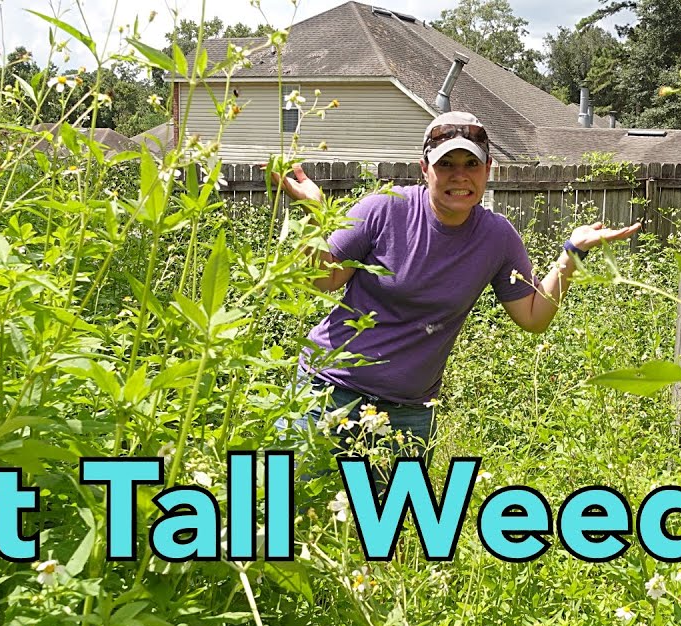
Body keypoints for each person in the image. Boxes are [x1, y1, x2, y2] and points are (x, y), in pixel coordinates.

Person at [273, 111, 641, 465]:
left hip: (409, 415)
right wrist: (313, 213)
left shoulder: (496, 237)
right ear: (424, 168)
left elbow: (533, 316)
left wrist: (572, 253)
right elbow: (321, 280)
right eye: (446, 164)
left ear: (488, 170)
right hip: (327, 393)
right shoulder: (384, 209)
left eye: (471, 164)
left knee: (385, 528)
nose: (459, 176)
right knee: (281, 514)